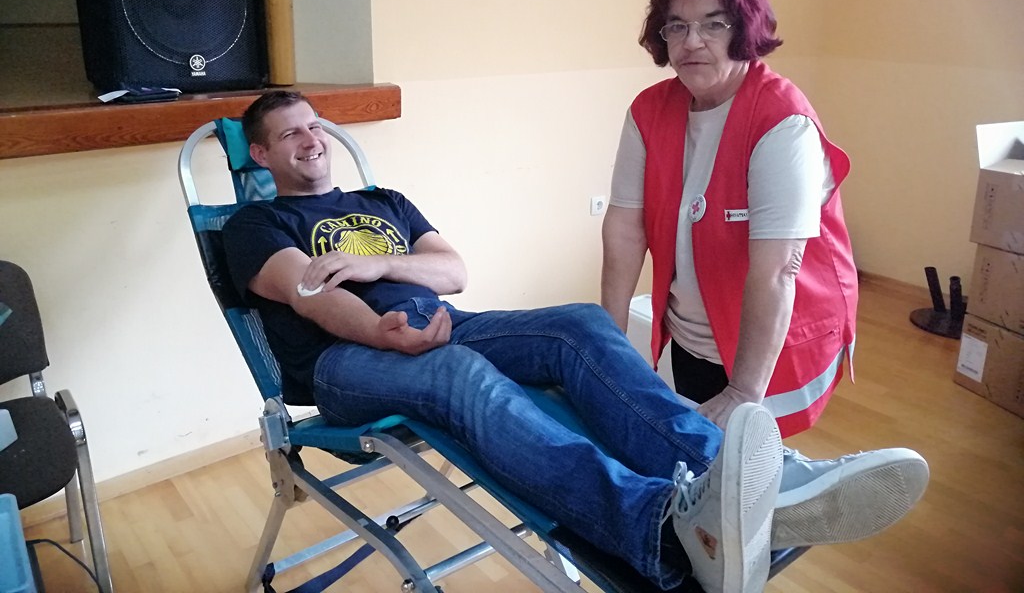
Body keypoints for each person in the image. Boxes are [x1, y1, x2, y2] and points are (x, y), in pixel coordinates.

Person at [222, 91, 926, 593]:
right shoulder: (253, 226)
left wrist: (381, 264)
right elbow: (313, 296)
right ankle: (661, 526)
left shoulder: (385, 203)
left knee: (580, 325)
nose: (311, 139)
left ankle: (749, 482)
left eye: (314, 125)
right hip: (345, 363)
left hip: (443, 323)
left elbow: (453, 272)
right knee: (460, 372)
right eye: (289, 135)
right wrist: (381, 331)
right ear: (260, 153)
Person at [602, 0, 858, 436]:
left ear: (744, 29)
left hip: (775, 341)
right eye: (677, 26)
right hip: (693, 333)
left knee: (752, 460)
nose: (691, 41)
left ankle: (799, 479)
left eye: (713, 24)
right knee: (702, 456)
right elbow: (624, 229)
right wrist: (608, 342)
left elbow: (778, 269)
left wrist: (742, 391)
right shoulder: (649, 111)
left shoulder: (782, 122)